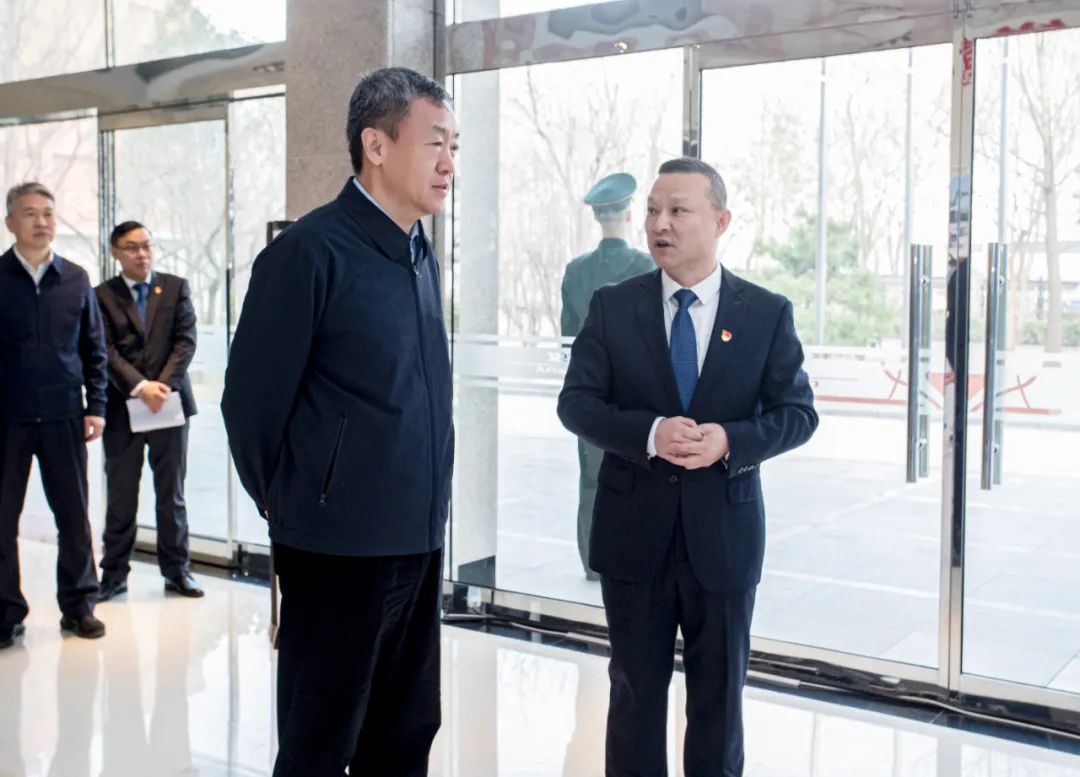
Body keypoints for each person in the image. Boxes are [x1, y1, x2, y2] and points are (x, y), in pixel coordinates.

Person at [221, 67, 457, 777]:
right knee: (320, 741)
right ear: (376, 146)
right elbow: (250, 404)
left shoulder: (418, 253)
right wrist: (295, 500)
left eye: (455, 146)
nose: (449, 163)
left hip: (417, 538)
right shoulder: (307, 253)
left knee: (405, 732)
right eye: (435, 143)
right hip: (336, 549)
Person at [557, 158, 818, 776]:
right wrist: (649, 433)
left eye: (678, 211)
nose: (659, 224)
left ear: (720, 221)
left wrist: (730, 441)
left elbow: (798, 414)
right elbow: (577, 404)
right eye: (653, 210)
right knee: (634, 699)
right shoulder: (612, 307)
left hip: (723, 540)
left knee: (719, 703)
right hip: (633, 537)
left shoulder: (765, 313)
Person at [0, 181, 108, 648]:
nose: (41, 222)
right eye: (30, 213)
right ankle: (5, 613)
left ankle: (79, 607)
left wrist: (97, 406)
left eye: (47, 213)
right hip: (8, 418)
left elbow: (94, 348)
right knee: (2, 520)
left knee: (73, 517)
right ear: (10, 222)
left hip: (65, 414)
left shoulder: (76, 279)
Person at [94, 221, 201, 601]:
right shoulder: (101, 296)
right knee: (121, 494)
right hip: (123, 409)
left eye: (146, 246)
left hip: (169, 406)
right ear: (115, 252)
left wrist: (162, 387)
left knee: (171, 494)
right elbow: (104, 349)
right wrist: (141, 387)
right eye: (132, 247)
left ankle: (177, 571)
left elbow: (186, 341)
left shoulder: (175, 287)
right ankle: (114, 575)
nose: (141, 254)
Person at [561, 172, 654, 580]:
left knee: (591, 478)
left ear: (598, 216)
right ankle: (633, 558)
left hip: (590, 394)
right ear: (628, 213)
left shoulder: (576, 270)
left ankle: (592, 562)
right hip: (638, 395)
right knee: (640, 479)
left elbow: (567, 335)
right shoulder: (646, 267)